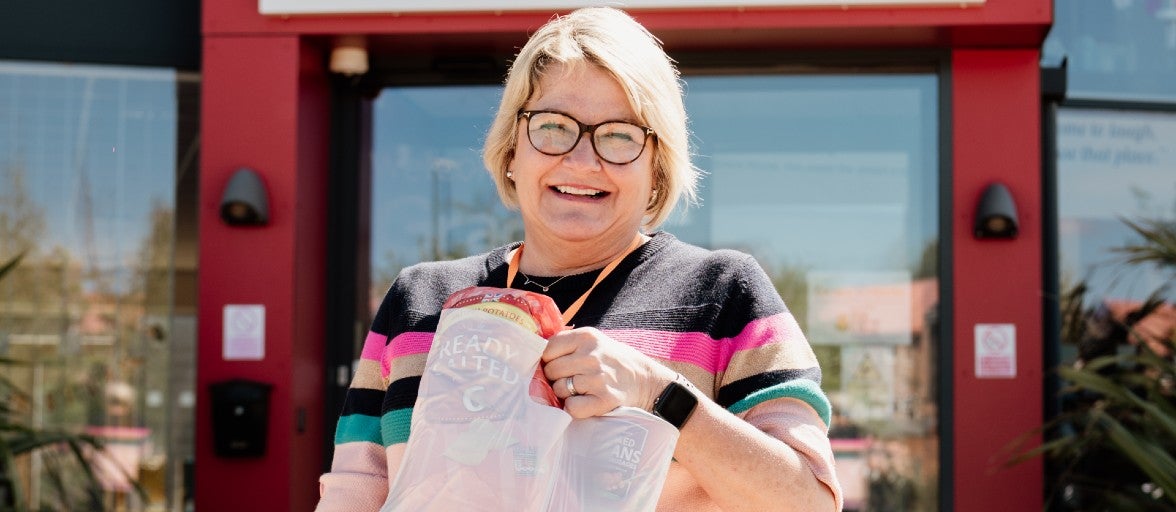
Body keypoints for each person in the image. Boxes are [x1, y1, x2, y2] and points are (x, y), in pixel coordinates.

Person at [317, 7, 842, 511]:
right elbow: (353, 496)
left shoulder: (725, 294)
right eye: (552, 126)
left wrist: (659, 395)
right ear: (511, 149)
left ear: (657, 167)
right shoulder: (420, 302)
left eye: (619, 136)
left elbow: (808, 501)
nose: (582, 160)